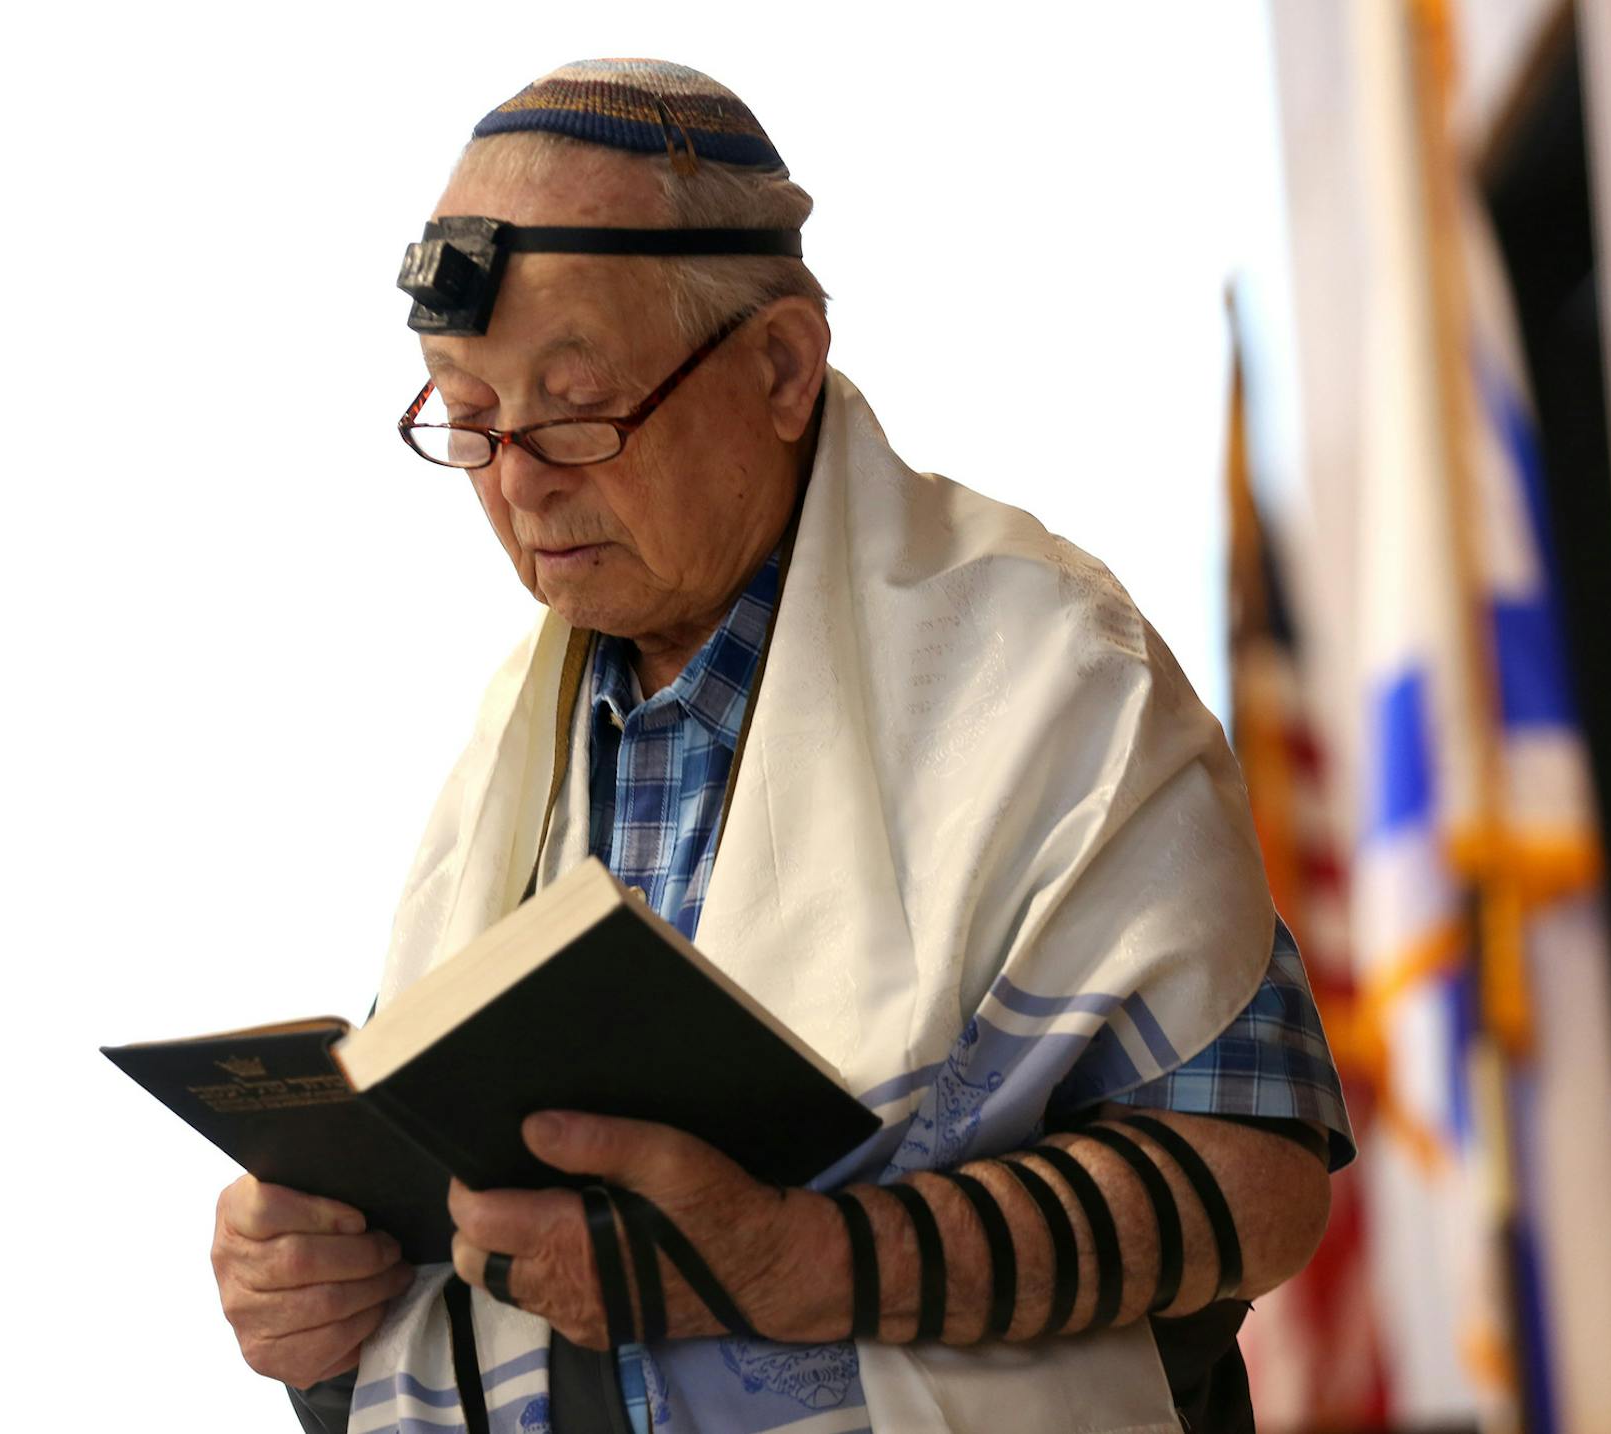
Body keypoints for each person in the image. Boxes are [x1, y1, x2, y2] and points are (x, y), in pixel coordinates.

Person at [208, 59, 1352, 1434]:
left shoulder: (1045, 671)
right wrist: (311, 1298)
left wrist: (805, 1264)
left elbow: (1260, 1185)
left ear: (782, 367)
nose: (517, 482)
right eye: (467, 417)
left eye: (574, 407)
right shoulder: (507, 748)